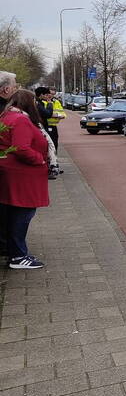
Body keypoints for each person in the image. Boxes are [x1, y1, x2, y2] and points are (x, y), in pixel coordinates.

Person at [0, 89, 51, 269]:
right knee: (22, 215)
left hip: (12, 173)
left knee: (15, 214)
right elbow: (21, 148)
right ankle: (18, 256)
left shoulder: (7, 116)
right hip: (23, 175)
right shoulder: (21, 120)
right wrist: (40, 159)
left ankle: (16, 253)